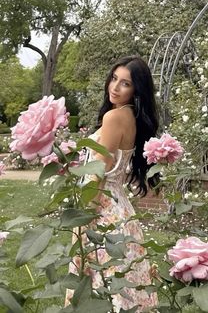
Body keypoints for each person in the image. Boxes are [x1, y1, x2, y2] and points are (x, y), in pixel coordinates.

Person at [65, 55, 160, 311]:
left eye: (125, 83)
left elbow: (97, 173)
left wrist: (81, 223)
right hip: (122, 211)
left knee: (97, 286)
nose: (115, 87)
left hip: (101, 211)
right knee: (125, 283)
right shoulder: (132, 117)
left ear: (137, 89)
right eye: (114, 78)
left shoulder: (114, 118)